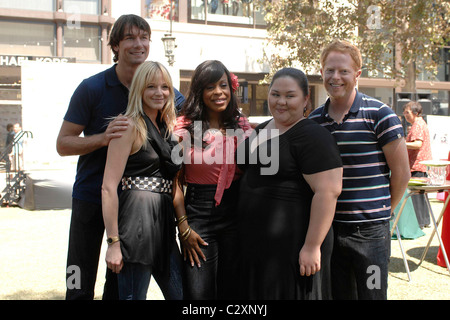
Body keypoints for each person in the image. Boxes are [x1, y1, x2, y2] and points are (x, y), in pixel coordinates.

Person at [56, 14, 185, 300]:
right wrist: (104, 138)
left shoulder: (166, 92)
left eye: (144, 37)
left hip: (136, 209)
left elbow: (193, 123)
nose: (138, 44)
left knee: (118, 284)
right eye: (129, 38)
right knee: (78, 278)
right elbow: (63, 144)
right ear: (115, 45)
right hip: (93, 194)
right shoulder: (92, 88)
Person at [309, 39, 410, 300]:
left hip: (371, 236)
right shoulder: (314, 122)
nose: (335, 77)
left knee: (373, 294)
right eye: (329, 70)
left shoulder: (381, 115)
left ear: (357, 74)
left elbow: (401, 174)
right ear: (321, 73)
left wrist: (381, 212)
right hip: (330, 232)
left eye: (343, 71)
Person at [236, 68, 343, 300]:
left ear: (306, 99)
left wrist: (312, 246)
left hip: (292, 247)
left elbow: (328, 192)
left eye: (290, 95)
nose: (281, 102)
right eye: (275, 94)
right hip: (256, 246)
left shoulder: (314, 137)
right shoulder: (263, 129)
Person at [102, 61, 183, 300]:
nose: (159, 93)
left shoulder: (167, 129)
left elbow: (175, 182)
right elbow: (108, 187)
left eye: (165, 87)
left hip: (164, 226)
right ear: (139, 89)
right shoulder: (128, 125)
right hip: (135, 225)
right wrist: (113, 242)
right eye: (151, 87)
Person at [173, 60, 252, 299]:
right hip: (198, 214)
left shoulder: (241, 124)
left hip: (237, 213)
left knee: (234, 290)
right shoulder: (184, 127)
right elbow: (174, 182)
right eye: (210, 87)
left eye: (223, 85)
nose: (219, 92)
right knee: (199, 293)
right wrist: (183, 227)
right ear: (199, 91)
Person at [403, 101, 432, 228]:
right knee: (421, 196)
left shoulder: (417, 125)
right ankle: (425, 221)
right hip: (421, 164)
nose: (405, 115)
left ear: (416, 112)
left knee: (416, 196)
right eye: (404, 112)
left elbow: (417, 144)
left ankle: (419, 223)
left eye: (407, 112)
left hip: (417, 164)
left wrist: (401, 143)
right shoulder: (421, 123)